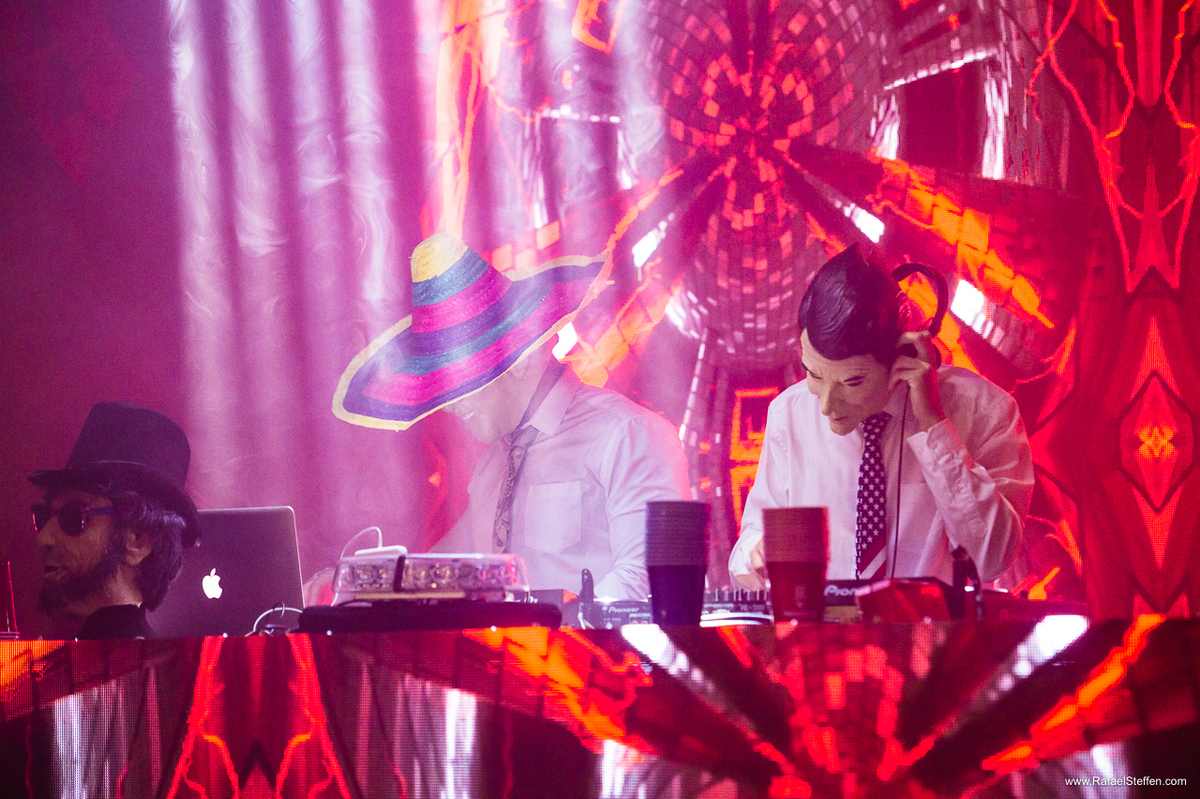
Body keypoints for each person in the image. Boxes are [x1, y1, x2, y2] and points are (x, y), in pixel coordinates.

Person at [334, 233, 691, 600]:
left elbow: (652, 585)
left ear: (524, 361)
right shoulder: (493, 464)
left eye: (461, 380)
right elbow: (439, 571)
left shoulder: (630, 435)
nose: (450, 404)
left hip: (604, 658)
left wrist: (548, 639)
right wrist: (356, 583)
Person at [729, 246, 1033, 588]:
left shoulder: (986, 412)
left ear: (904, 354)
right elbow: (745, 554)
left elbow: (991, 560)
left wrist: (935, 428)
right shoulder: (788, 414)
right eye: (813, 373)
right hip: (821, 638)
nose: (827, 404)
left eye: (852, 381)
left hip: (934, 635)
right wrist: (757, 556)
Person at [29, 401, 200, 638]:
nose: (43, 537)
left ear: (138, 540)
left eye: (73, 517)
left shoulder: (164, 670)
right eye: (44, 515)